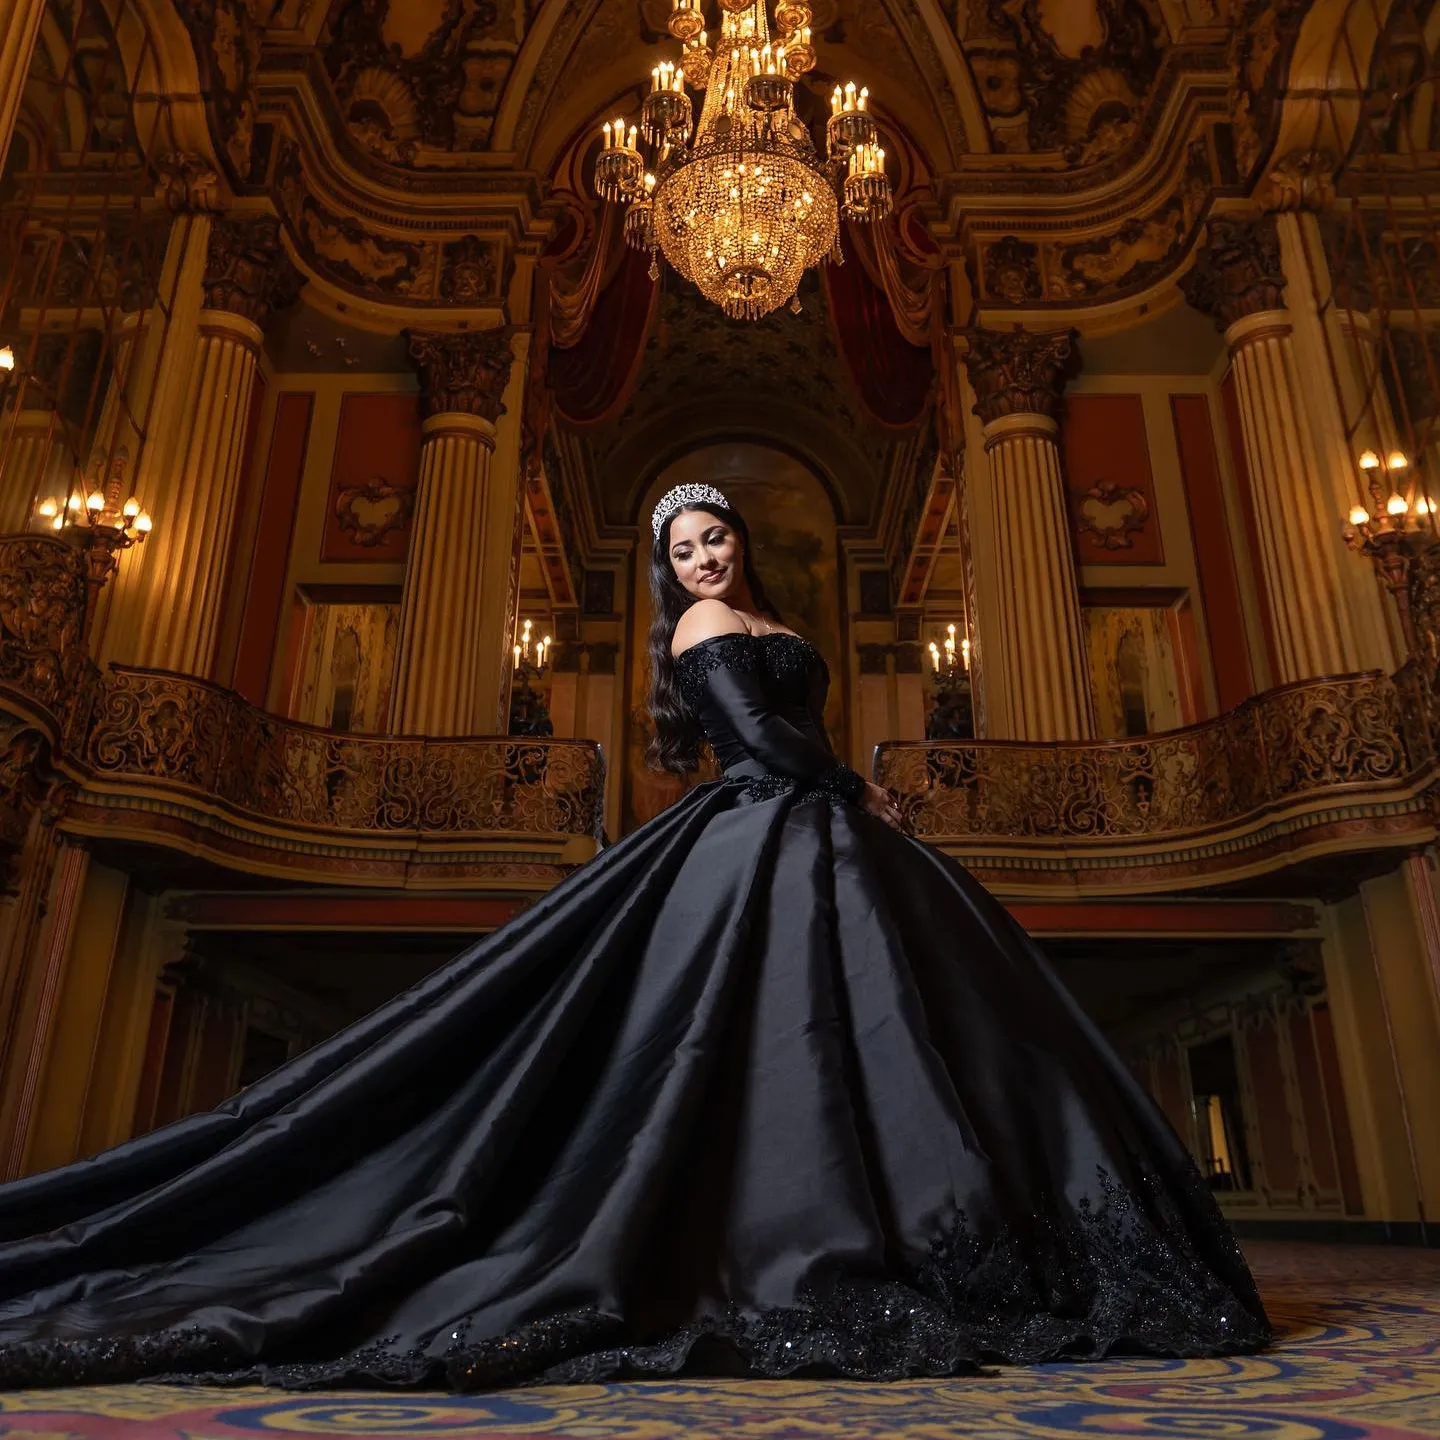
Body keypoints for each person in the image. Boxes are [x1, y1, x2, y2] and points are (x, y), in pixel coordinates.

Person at [0, 483, 1270, 1391]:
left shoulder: (755, 618)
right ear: (668, 570)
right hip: (772, 829)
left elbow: (801, 742)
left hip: (825, 822)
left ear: (737, 543)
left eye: (715, 540)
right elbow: (770, 748)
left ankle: (926, 1235)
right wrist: (852, 791)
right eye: (683, 549)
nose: (704, 561)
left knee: (910, 1032)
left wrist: (859, 796)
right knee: (789, 1035)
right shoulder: (703, 634)